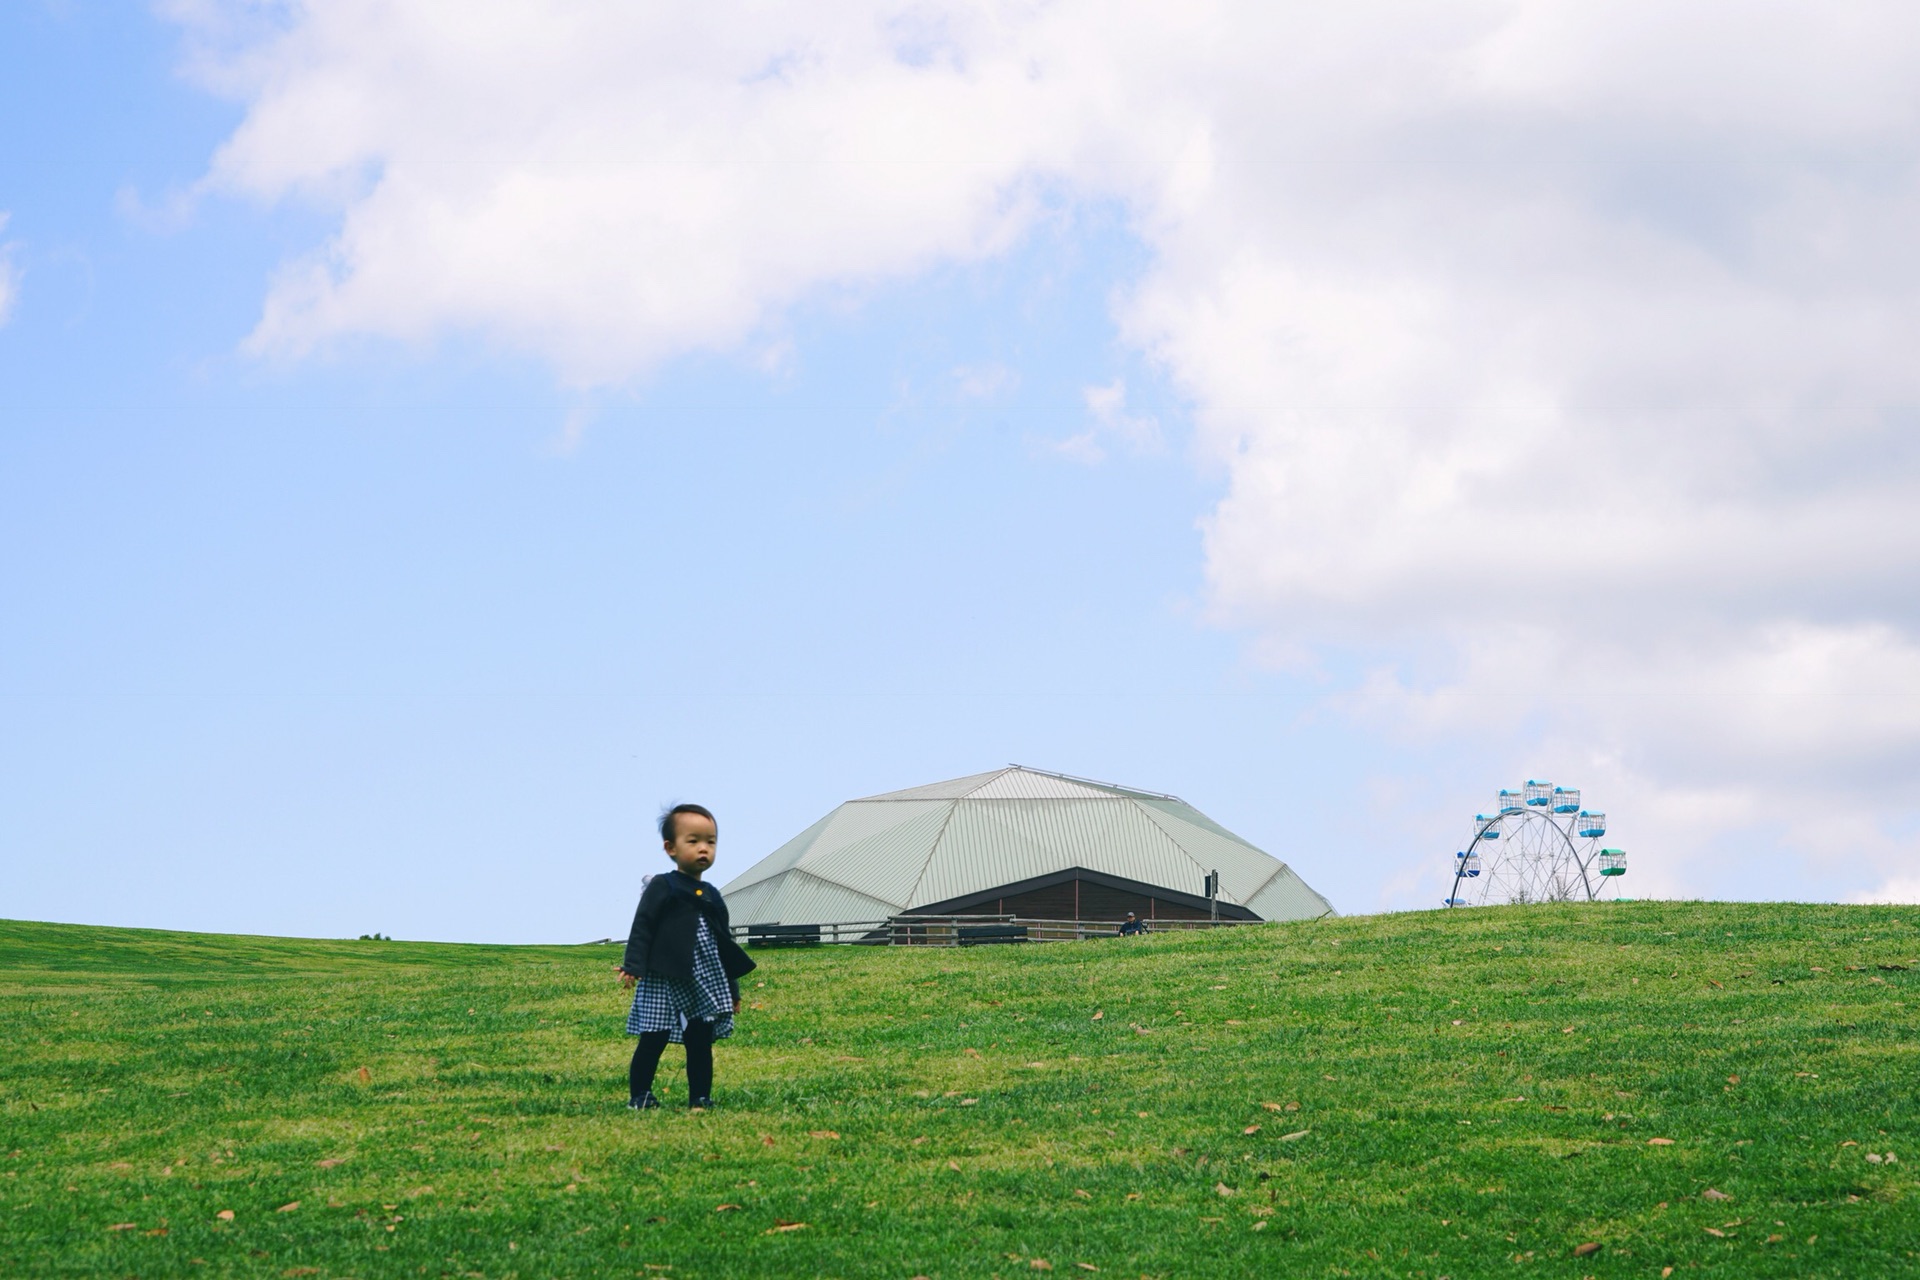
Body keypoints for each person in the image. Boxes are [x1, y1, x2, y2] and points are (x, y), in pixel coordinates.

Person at [617, 803, 756, 1110]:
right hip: (663, 975)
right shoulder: (662, 886)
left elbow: (725, 945)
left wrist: (733, 989)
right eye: (693, 841)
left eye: (710, 841)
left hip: (703, 979)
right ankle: (639, 1096)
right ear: (670, 848)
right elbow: (643, 925)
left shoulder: (712, 894)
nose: (703, 849)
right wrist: (634, 965)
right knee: (654, 1036)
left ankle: (700, 1098)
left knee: (700, 1038)